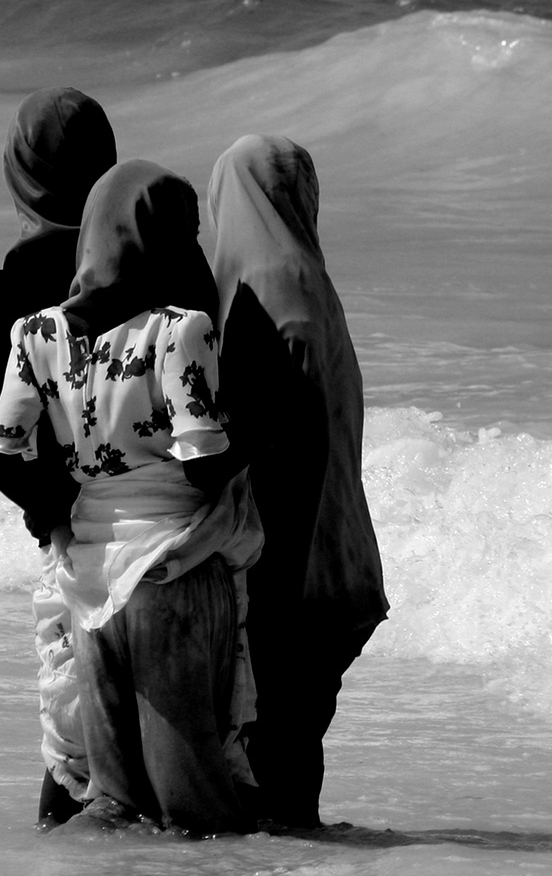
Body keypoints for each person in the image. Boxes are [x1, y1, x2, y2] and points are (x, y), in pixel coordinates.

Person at [0, 160, 264, 835]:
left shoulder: (35, 333)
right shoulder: (179, 328)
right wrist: (261, 429)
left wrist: (58, 523)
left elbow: (0, 456)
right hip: (171, 563)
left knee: (115, 801)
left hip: (87, 570)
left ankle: (76, 863)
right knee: (194, 805)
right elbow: (204, 464)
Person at [208, 134, 388, 829]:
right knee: (290, 765)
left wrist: (266, 592)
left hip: (292, 574)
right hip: (342, 566)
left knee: (268, 773)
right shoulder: (312, 280)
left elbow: (284, 452)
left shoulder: (265, 286)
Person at [0, 87, 116, 826]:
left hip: (72, 539)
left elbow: (0, 450)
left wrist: (56, 514)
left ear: (19, 172)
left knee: (75, 744)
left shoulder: (7, 294)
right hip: (173, 526)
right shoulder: (163, 269)